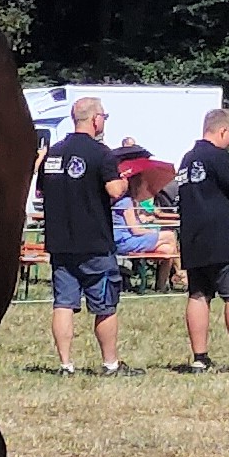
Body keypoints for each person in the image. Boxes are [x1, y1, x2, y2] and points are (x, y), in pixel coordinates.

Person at [38, 97, 131, 375]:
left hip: (60, 242)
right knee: (105, 304)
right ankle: (111, 364)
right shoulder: (101, 153)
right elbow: (114, 191)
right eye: (104, 116)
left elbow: (42, 190)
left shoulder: (53, 153)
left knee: (64, 303)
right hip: (94, 243)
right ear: (95, 119)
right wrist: (125, 181)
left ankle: (66, 365)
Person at [173, 106, 229, 372]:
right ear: (222, 130)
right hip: (223, 240)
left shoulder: (188, 158)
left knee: (198, 295)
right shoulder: (216, 156)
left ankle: (200, 357)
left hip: (194, 239)